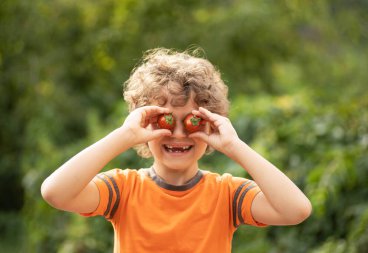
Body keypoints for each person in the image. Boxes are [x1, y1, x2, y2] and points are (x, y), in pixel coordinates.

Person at [41, 48, 312, 253]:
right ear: (145, 123)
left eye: (194, 122)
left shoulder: (227, 195)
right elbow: (55, 192)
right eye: (166, 120)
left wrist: (234, 146)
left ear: (211, 125)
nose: (180, 134)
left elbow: (296, 210)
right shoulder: (123, 189)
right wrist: (125, 135)